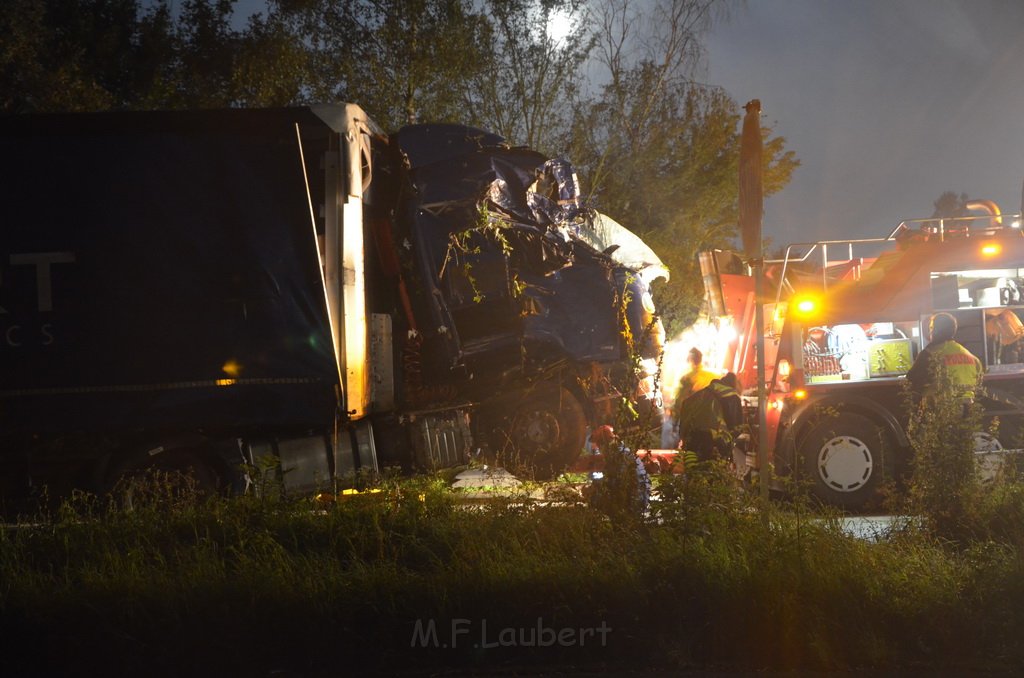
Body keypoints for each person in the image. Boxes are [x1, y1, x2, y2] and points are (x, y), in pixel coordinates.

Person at [906, 312, 984, 406]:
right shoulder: (970, 356)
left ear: (935, 330)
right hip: (967, 407)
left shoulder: (929, 354)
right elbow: (979, 381)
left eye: (931, 328)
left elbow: (911, 381)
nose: (930, 332)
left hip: (941, 409)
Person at [676, 372, 744, 463]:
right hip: (714, 443)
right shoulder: (731, 396)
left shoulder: (701, 394)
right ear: (735, 385)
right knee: (711, 473)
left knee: (693, 471)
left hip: (692, 440)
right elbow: (736, 426)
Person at [671, 347, 718, 444]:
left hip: (693, 424)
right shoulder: (714, 376)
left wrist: (675, 422)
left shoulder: (686, 378)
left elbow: (680, 402)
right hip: (712, 423)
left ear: (691, 359)